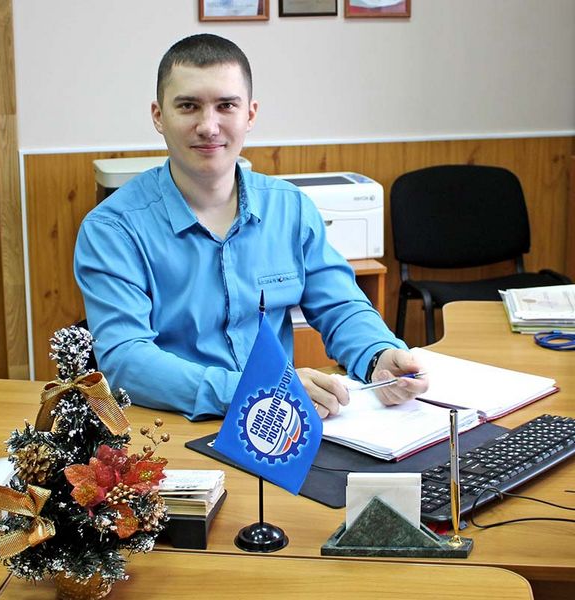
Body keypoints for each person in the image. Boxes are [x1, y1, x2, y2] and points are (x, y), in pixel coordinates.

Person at [74, 33, 428, 421]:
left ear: (250, 114)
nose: (208, 126)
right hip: (167, 430)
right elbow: (125, 360)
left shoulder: (290, 208)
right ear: (159, 116)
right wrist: (254, 388)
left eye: (226, 105)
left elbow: (341, 306)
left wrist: (377, 355)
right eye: (188, 106)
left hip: (280, 426)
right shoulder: (112, 230)